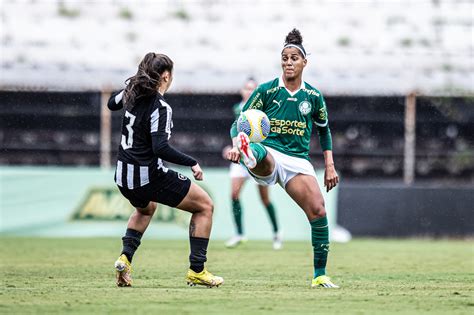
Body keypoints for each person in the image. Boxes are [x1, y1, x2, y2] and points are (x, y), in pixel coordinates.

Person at [226, 29, 340, 288]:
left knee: (318, 210)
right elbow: (240, 122)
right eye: (285, 58)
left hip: (298, 161)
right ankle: (248, 152)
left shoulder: (312, 96)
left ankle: (320, 275)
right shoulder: (266, 90)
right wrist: (236, 143)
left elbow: (324, 130)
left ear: (304, 63)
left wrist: (330, 166)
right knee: (262, 153)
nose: (288, 62)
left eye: (293, 58)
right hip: (270, 152)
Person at [108, 52, 223, 288]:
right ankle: (197, 270)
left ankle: (124, 259)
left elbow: (111, 104)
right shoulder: (160, 107)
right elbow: (160, 148)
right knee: (205, 206)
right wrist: (191, 161)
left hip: (123, 177)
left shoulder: (131, 94)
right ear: (166, 76)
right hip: (148, 176)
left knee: (146, 209)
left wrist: (132, 85)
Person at [223, 78, 282, 250]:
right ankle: (240, 234)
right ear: (242, 91)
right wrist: (232, 147)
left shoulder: (263, 109)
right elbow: (236, 130)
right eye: (246, 88)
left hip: (258, 157)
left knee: (265, 199)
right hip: (240, 158)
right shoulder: (237, 109)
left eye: (252, 88)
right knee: (234, 195)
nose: (249, 91)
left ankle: (277, 233)